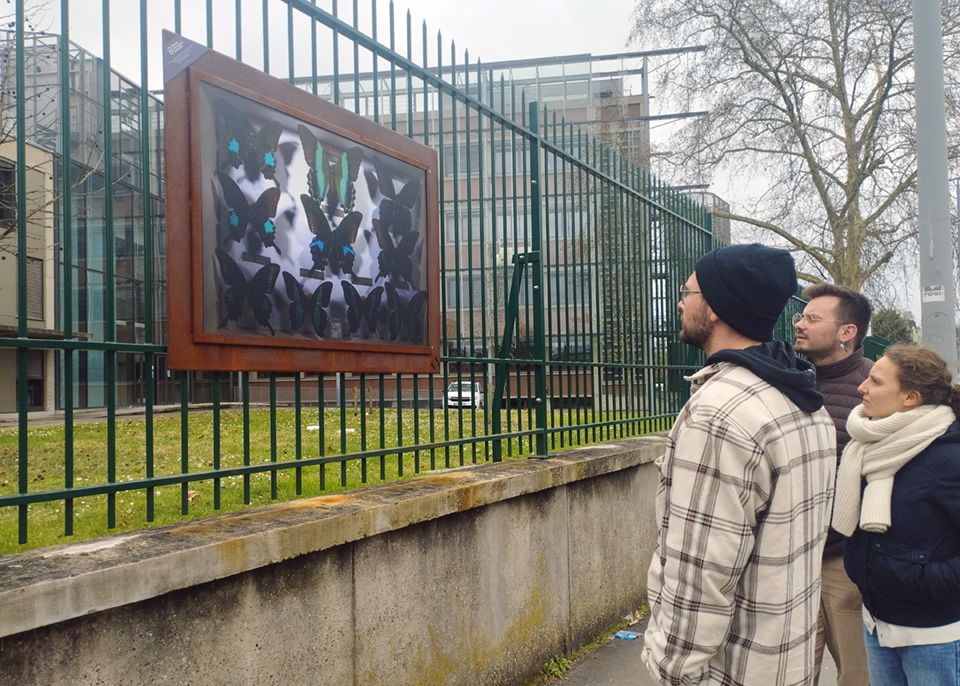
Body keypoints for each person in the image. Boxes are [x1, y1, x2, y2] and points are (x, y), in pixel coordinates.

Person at [643, 243, 837, 685]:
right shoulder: (803, 401)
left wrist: (672, 669)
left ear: (713, 309)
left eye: (688, 292)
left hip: (732, 670)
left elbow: (702, 572)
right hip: (785, 660)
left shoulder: (719, 414)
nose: (680, 301)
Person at [837, 344, 960, 686]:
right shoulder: (868, 444)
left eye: (875, 382)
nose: (862, 387)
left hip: (933, 636)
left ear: (910, 398)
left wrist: (924, 579)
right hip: (877, 622)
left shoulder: (948, 458)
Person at [793, 284, 873, 686]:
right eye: (801, 316)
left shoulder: (874, 387)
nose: (798, 323)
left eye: (812, 318)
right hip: (789, 559)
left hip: (845, 561)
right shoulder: (786, 380)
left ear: (847, 332)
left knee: (858, 675)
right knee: (787, 673)